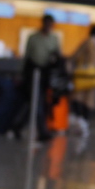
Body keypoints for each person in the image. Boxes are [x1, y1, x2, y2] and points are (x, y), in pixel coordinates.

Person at [17, 14, 60, 142]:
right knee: (37, 101)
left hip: (45, 74)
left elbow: (57, 55)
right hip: (32, 73)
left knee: (35, 102)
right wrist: (21, 73)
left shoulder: (54, 39)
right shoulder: (33, 38)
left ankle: (17, 125)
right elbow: (26, 57)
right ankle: (42, 130)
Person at [69, 25, 95, 135]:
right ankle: (84, 123)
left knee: (76, 97)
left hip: (83, 73)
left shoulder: (88, 42)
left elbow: (76, 55)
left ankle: (80, 121)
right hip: (94, 74)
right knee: (89, 100)